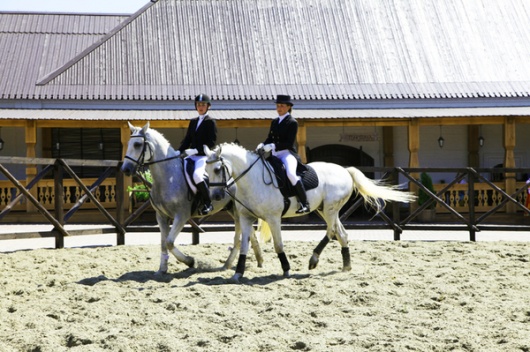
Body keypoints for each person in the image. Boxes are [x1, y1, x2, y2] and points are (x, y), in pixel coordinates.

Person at [256, 94, 310, 214]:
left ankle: (304, 203)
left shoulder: (292, 122)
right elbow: (270, 138)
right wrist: (263, 144)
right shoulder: (275, 122)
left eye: (281, 106)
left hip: (286, 153)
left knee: (291, 174)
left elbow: (289, 143)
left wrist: (273, 146)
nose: (279, 108)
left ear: (288, 107)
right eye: (277, 106)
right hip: (274, 154)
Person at [178, 94, 217, 215]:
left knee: (197, 176)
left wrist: (196, 150)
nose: (201, 107)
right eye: (199, 105)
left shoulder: (210, 122)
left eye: (203, 105)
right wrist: (178, 152)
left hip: (203, 157)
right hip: (191, 156)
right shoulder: (193, 122)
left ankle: (207, 202)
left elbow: (211, 143)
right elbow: (187, 140)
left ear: (208, 106)